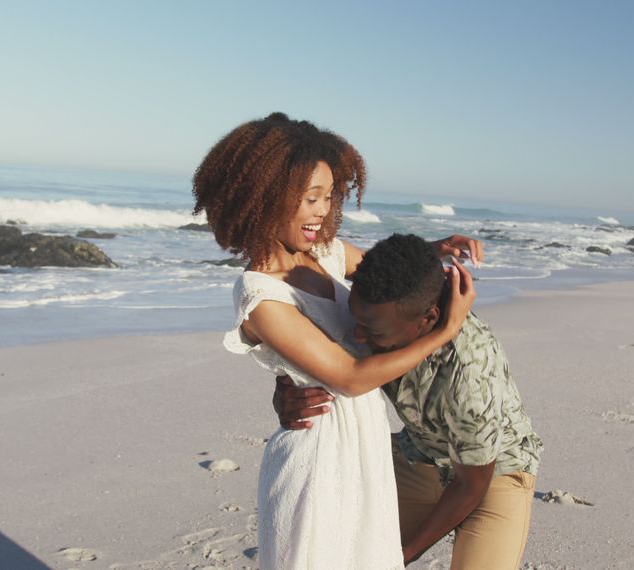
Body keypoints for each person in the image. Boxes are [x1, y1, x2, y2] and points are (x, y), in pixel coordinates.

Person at [192, 112, 479, 569]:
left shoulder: (326, 254)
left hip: (364, 448)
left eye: (329, 197)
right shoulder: (261, 296)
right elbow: (348, 376)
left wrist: (431, 251)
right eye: (310, 198)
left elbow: (388, 279)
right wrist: (446, 330)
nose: (323, 211)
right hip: (317, 460)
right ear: (263, 198)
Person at [275, 233, 543, 570]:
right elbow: (316, 360)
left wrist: (397, 557)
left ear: (428, 320)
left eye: (371, 331)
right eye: (356, 321)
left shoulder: (469, 371)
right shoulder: (378, 314)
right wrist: (285, 393)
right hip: (421, 455)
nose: (357, 336)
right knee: (341, 551)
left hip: (494, 473)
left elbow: (471, 484)